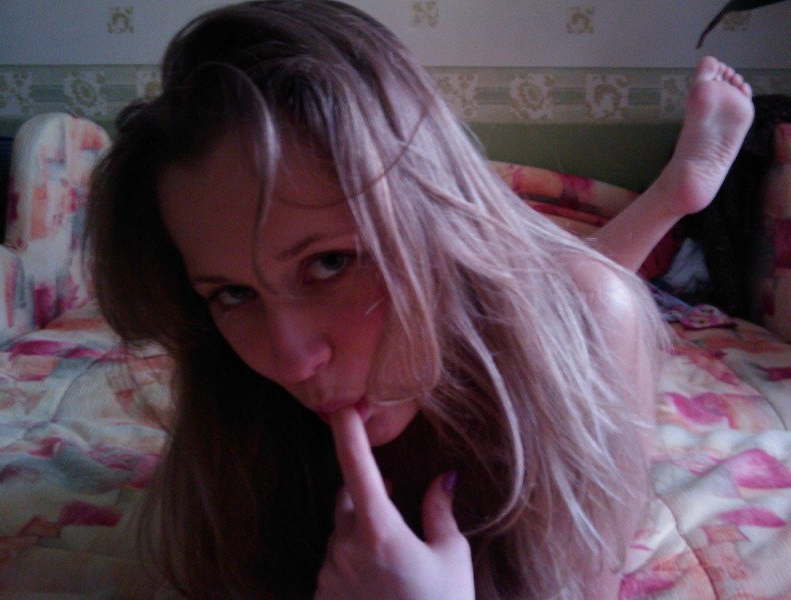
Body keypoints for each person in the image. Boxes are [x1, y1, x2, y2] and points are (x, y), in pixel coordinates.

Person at [85, 1, 754, 598]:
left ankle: (675, 193)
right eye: (234, 292)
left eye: (329, 263)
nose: (290, 360)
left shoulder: (588, 319)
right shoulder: (228, 380)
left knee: (590, 296)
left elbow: (587, 585)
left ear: (433, 220)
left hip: (537, 292)